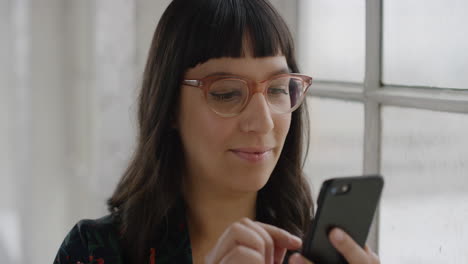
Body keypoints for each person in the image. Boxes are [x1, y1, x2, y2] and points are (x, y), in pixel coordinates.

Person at [53, 0, 380, 263]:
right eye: (226, 93)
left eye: (278, 89)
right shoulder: (96, 251)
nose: (263, 121)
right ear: (169, 108)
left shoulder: (312, 254)